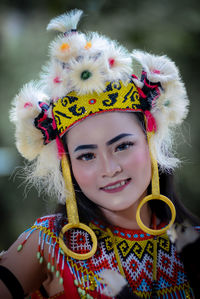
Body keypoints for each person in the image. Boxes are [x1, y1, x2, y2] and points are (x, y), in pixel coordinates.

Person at [0, 9, 200, 299]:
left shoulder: (192, 245)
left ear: (151, 141)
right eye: (87, 156)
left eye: (122, 146)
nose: (109, 168)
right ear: (66, 164)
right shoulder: (47, 245)